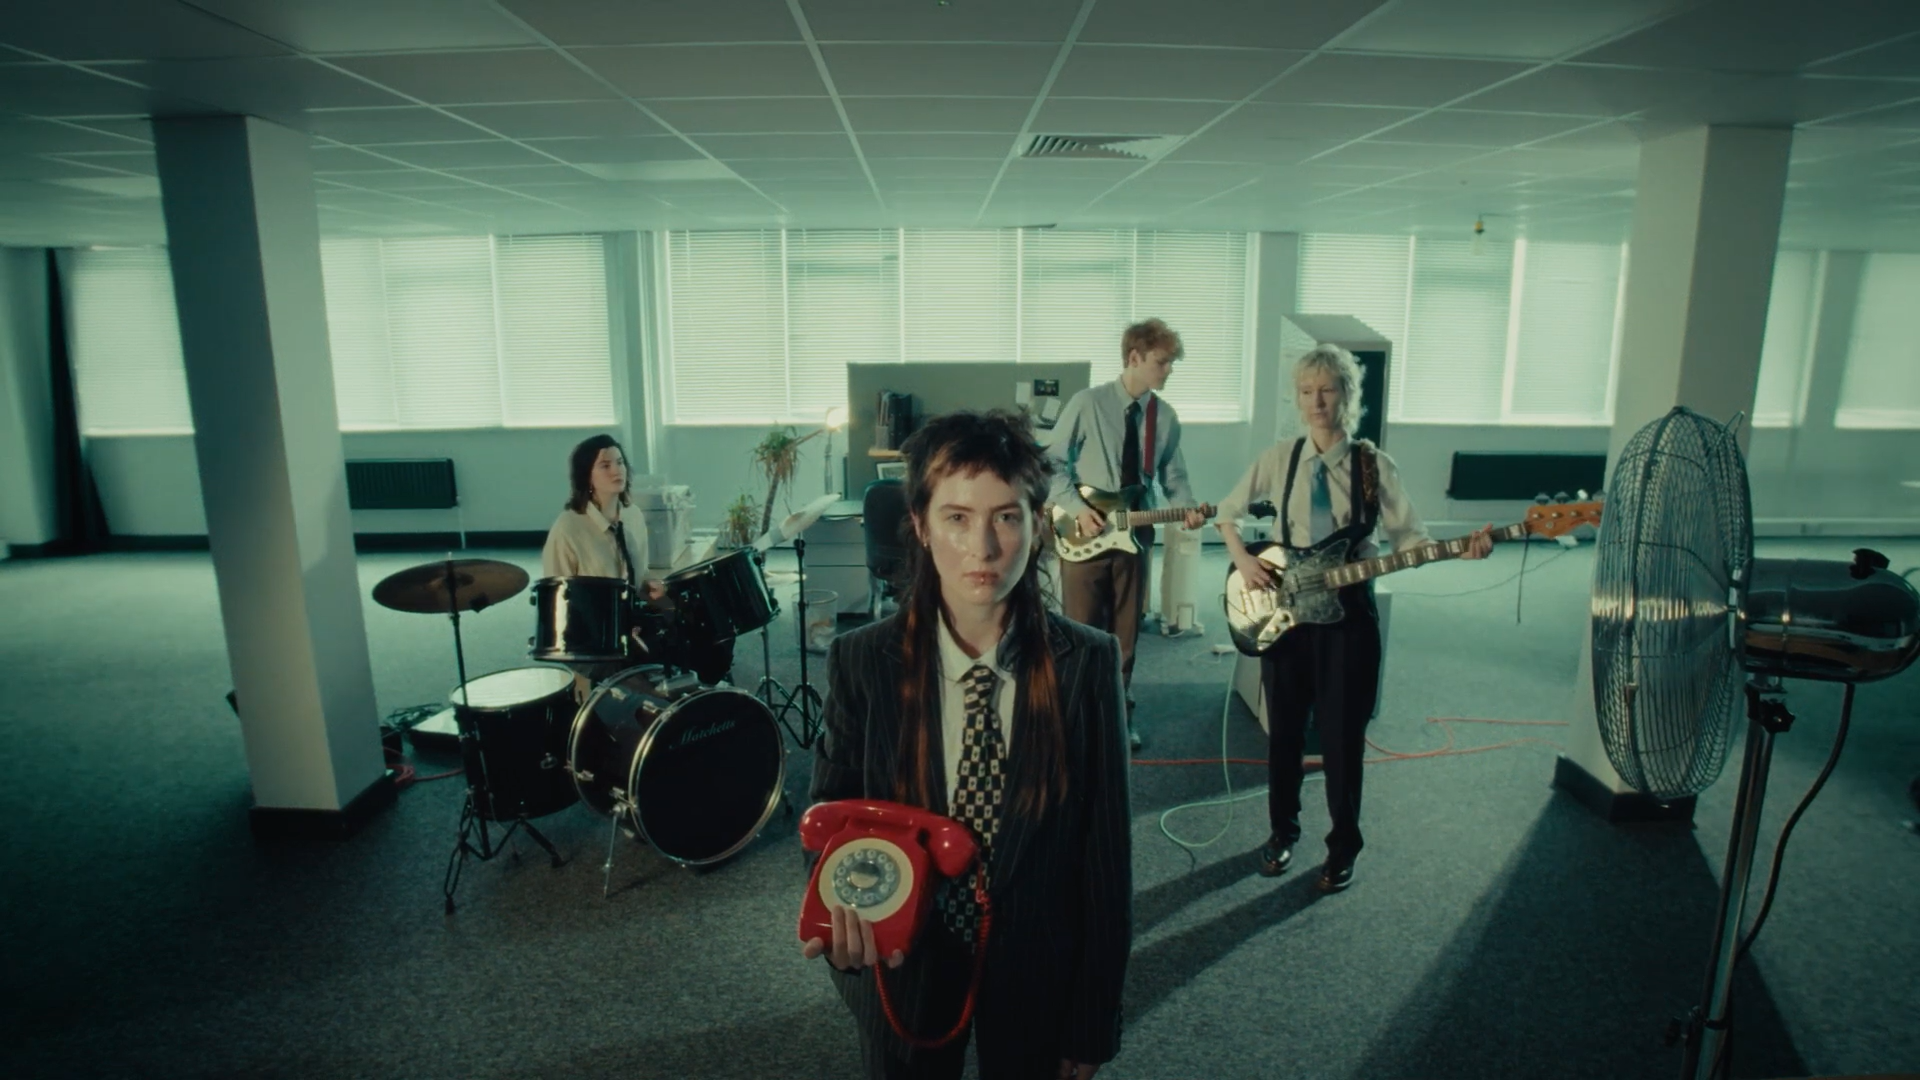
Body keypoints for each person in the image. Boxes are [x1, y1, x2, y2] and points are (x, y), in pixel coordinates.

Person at [803, 410, 1132, 1080]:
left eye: (1006, 517)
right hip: (904, 969)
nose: (982, 547)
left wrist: (1092, 1018)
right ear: (922, 526)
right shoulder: (862, 662)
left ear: (1038, 525)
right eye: (957, 517)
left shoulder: (1087, 663)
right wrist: (841, 926)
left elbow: (1105, 859)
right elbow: (828, 824)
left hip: (1038, 973)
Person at [1215, 345, 1492, 893]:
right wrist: (1244, 561)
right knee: (1285, 733)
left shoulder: (1373, 465)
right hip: (1285, 616)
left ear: (1348, 395)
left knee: (1343, 738)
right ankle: (1282, 831)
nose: (1316, 402)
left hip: (1348, 620)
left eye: (1327, 390)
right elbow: (1227, 513)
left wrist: (1461, 550)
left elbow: (1411, 540)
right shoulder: (1280, 458)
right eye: (1306, 391)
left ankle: (1343, 846)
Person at [1045, 318, 1208, 751]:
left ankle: (1118, 715)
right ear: (1134, 358)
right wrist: (1078, 510)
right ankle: (1077, 718)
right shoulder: (1087, 403)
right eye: (1162, 362)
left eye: (1171, 363)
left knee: (1126, 633)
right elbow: (1051, 464)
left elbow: (1175, 479)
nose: (1168, 370)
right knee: (1081, 631)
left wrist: (1188, 509)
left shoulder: (1164, 417)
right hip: (1084, 535)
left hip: (1137, 535)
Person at [542, 434, 733, 687]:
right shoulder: (568, 527)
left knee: (708, 626)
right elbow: (556, 603)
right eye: (605, 465)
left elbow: (638, 578)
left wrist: (661, 595)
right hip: (592, 638)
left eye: (620, 462)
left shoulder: (632, 515)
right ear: (586, 476)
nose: (617, 470)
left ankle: (704, 692)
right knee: (649, 671)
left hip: (633, 620)